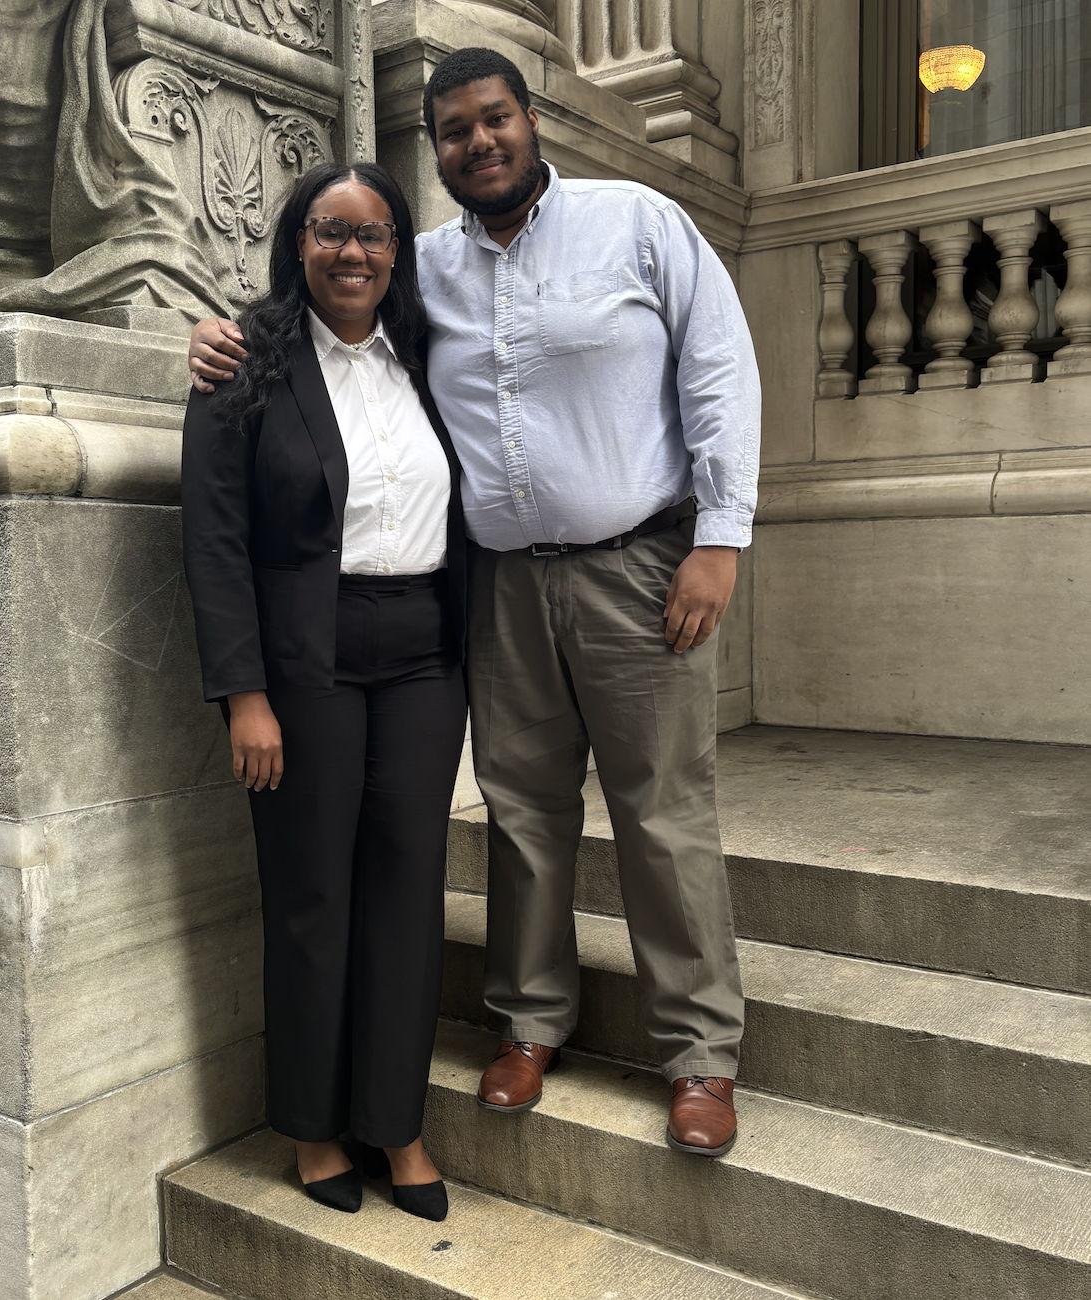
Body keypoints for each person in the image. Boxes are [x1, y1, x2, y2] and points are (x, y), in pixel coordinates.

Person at [189, 47, 761, 1160]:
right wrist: (216, 335)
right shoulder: (423, 274)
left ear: (529, 118)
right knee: (522, 812)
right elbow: (317, 345)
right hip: (496, 583)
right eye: (454, 130)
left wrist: (721, 536)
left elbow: (719, 370)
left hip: (638, 568)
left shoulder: (637, 223)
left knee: (662, 812)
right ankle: (530, 1022)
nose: (478, 143)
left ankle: (698, 1051)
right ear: (437, 150)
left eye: (494, 119)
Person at [180, 160, 468, 1219]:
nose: (354, 252)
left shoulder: (431, 356)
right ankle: (312, 1126)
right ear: (298, 242)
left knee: (407, 892)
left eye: (374, 233)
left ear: (397, 252)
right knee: (311, 895)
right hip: (307, 662)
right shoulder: (242, 362)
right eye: (331, 231)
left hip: (426, 656)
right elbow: (213, 542)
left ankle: (395, 1123)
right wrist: (243, 696)